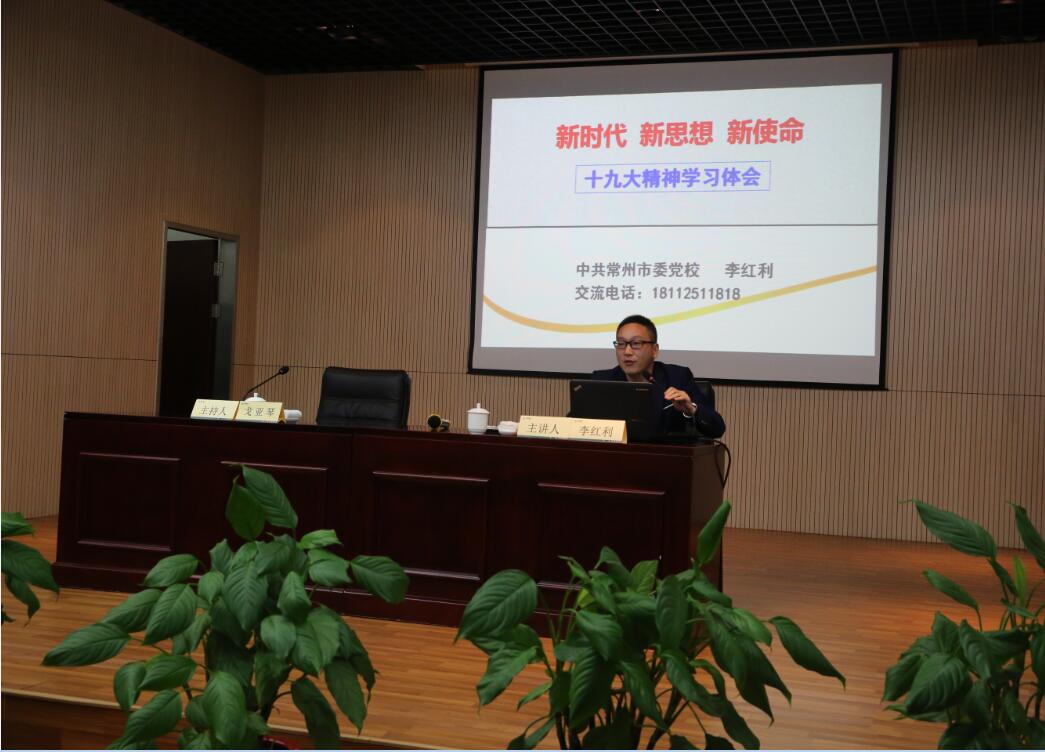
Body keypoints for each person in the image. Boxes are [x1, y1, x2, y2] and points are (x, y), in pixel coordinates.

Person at [591, 314, 726, 439]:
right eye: (621, 344)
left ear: (654, 350)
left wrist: (691, 409)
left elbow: (717, 429)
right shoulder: (602, 381)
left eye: (636, 344)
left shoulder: (678, 378)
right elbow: (579, 427)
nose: (627, 351)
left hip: (665, 455)